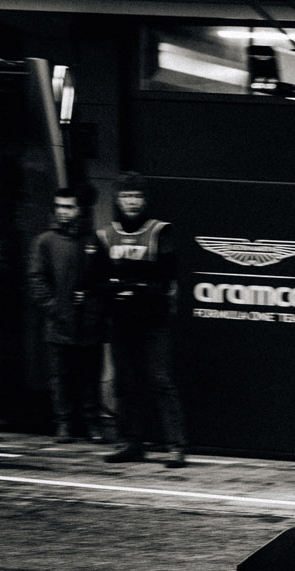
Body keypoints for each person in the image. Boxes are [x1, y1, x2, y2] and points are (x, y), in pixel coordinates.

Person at [97, 172, 188, 467]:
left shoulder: (160, 231)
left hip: (153, 321)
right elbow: (97, 280)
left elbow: (164, 276)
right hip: (120, 321)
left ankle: (175, 446)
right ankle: (131, 443)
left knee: (160, 380)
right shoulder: (105, 235)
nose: (131, 201)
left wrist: (127, 283)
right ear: (117, 199)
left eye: (136, 196)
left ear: (144, 199)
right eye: (126, 196)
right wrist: (131, 283)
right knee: (125, 383)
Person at [30, 185, 108, 444]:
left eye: (68, 207)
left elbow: (102, 279)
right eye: (59, 207)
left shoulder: (92, 241)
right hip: (59, 323)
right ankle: (63, 423)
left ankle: (92, 423)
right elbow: (37, 279)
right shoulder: (45, 241)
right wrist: (54, 306)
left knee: (90, 375)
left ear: (78, 209)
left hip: (89, 323)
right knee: (60, 376)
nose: (63, 211)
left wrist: (94, 305)